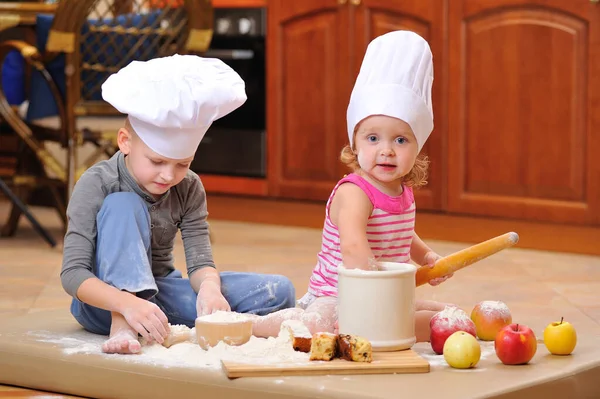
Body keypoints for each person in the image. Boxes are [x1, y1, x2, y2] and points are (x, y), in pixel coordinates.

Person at [60, 54, 296, 355]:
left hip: (160, 294)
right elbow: (73, 274)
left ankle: (176, 320)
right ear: (125, 141)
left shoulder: (188, 186)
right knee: (123, 204)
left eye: (182, 164)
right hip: (103, 305)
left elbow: (199, 263)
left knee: (278, 291)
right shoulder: (97, 182)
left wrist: (209, 289)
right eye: (157, 161)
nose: (169, 175)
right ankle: (126, 324)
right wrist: (126, 304)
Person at [251, 31, 454, 343]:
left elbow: (400, 232)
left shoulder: (401, 193)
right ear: (355, 143)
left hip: (384, 293)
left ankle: (395, 322)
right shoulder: (354, 193)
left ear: (418, 147)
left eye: (400, 139)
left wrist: (427, 258)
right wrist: (385, 291)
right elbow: (354, 249)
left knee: (448, 315)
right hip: (338, 298)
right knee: (318, 324)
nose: (386, 150)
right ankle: (258, 325)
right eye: (373, 138)